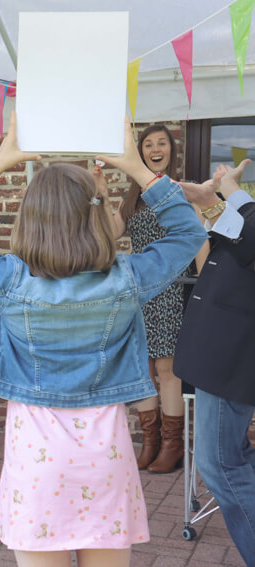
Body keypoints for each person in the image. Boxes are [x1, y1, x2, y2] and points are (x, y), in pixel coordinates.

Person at [0, 113, 205, 567]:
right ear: (96, 215)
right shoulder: (127, 280)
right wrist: (138, 170)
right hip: (105, 458)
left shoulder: (7, 281)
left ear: (31, 218)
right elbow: (188, 232)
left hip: (35, 464)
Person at [91, 125, 199, 473]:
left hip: (171, 286)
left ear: (172, 150)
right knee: (143, 368)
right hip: (139, 291)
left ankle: (172, 445)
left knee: (167, 369)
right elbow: (109, 234)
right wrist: (102, 196)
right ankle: (149, 441)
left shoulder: (178, 191)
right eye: (148, 144)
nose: (155, 149)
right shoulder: (133, 197)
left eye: (161, 143)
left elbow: (196, 239)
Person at [175, 159, 255, 563]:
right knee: (231, 459)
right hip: (223, 352)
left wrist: (230, 194)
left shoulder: (245, 206)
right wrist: (210, 204)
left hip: (234, 356)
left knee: (220, 465)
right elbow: (236, 252)